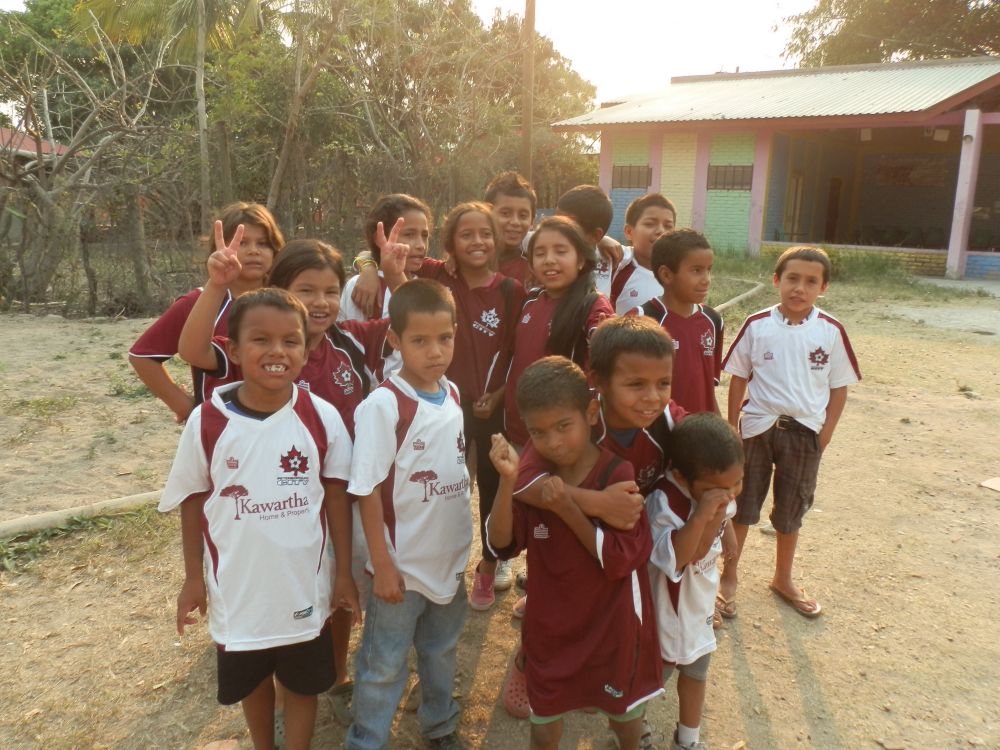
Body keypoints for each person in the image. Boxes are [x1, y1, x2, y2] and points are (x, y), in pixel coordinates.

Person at [178, 223, 410, 728]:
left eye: (331, 290)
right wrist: (216, 285)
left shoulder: (351, 341)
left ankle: (332, 672)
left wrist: (389, 274)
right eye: (306, 290)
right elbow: (194, 350)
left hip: (341, 495)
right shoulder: (261, 345)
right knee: (282, 586)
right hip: (279, 501)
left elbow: (412, 321)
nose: (322, 301)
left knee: (337, 588)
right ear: (282, 293)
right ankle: (282, 680)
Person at [161, 287, 356, 750]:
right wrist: (193, 578)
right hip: (238, 590)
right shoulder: (207, 422)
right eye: (261, 340)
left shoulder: (321, 417)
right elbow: (192, 500)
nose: (277, 351)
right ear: (233, 349)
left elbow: (337, 500)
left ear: (306, 351)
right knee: (251, 682)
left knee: (304, 684)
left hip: (303, 588)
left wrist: (344, 573)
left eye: (291, 341)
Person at [487, 357, 663, 750]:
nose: (553, 442)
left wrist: (566, 505)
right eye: (539, 432)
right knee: (545, 727)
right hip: (551, 631)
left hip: (611, 631)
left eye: (563, 426)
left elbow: (619, 560)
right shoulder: (535, 474)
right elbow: (503, 543)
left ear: (590, 412)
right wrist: (507, 481)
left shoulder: (617, 475)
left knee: (625, 722)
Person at [346, 279, 472, 750]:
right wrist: (383, 566)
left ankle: (439, 727)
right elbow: (367, 490)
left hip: (448, 562)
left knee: (440, 652)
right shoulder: (384, 404)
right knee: (383, 665)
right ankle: (366, 740)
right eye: (420, 341)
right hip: (400, 571)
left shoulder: (453, 393)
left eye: (445, 338)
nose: (435, 351)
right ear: (395, 341)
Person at [718, 246, 861, 619]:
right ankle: (728, 576)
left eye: (811, 281)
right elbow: (738, 378)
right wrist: (733, 428)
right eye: (792, 279)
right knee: (743, 507)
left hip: (804, 433)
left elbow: (839, 387)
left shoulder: (830, 331)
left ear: (823, 287)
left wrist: (824, 434)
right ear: (776, 280)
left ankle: (783, 578)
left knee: (791, 509)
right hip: (756, 430)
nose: (800, 288)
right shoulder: (757, 324)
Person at [409, 202, 526, 609]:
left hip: (490, 411)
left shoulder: (512, 292)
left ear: (496, 241)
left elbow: (515, 354)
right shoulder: (437, 276)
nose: (477, 241)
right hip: (442, 410)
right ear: (450, 244)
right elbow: (388, 254)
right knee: (445, 485)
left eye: (485, 234)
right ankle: (441, 564)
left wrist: (497, 395)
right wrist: (367, 268)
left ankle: (490, 567)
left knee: (494, 488)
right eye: (466, 234)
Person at [128, 202, 283, 422]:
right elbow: (142, 357)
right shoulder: (199, 303)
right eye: (242, 243)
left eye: (263, 243)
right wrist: (186, 406)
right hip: (220, 432)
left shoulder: (288, 303)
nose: (254, 251)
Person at [646, 413, 744, 750]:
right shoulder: (665, 502)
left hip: (698, 604)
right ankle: (633, 728)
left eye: (737, 484)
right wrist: (705, 516)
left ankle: (688, 740)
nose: (730, 495)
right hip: (669, 613)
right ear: (679, 476)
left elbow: (726, 512)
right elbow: (688, 555)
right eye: (720, 490)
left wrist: (727, 533)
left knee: (697, 672)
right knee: (654, 676)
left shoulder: (718, 490)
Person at [503, 215, 615, 449]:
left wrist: (605, 337)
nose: (549, 260)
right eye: (540, 253)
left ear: (581, 260)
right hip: (518, 430)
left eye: (561, 252)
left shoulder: (592, 305)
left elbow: (607, 339)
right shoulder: (530, 300)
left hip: (559, 438)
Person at [589, 315, 687, 494]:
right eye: (636, 384)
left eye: (663, 383)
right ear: (600, 382)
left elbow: (714, 449)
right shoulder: (576, 421)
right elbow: (528, 482)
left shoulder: (670, 419)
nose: (652, 397)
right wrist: (596, 504)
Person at [636, 229, 723, 415]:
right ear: (667, 275)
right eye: (696, 270)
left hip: (700, 433)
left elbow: (709, 389)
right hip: (658, 433)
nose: (706, 279)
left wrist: (719, 427)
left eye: (709, 270)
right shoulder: (642, 319)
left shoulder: (713, 321)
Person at [342, 193, 432, 322]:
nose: (421, 245)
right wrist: (368, 268)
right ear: (379, 238)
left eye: (424, 235)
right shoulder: (360, 286)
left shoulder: (432, 280)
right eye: (409, 234)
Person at [611, 193, 676, 314]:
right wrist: (603, 240)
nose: (661, 231)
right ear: (629, 231)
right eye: (650, 224)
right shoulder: (617, 262)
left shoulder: (679, 273)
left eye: (668, 226)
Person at [554, 185, 620, 299]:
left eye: (568, 225)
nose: (557, 229)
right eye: (556, 220)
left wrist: (602, 240)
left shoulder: (612, 255)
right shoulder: (545, 246)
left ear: (595, 235)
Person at [484, 170, 537, 287]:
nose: (515, 222)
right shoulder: (470, 261)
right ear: (487, 214)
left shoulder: (535, 270)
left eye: (523, 216)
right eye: (505, 213)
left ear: (532, 221)